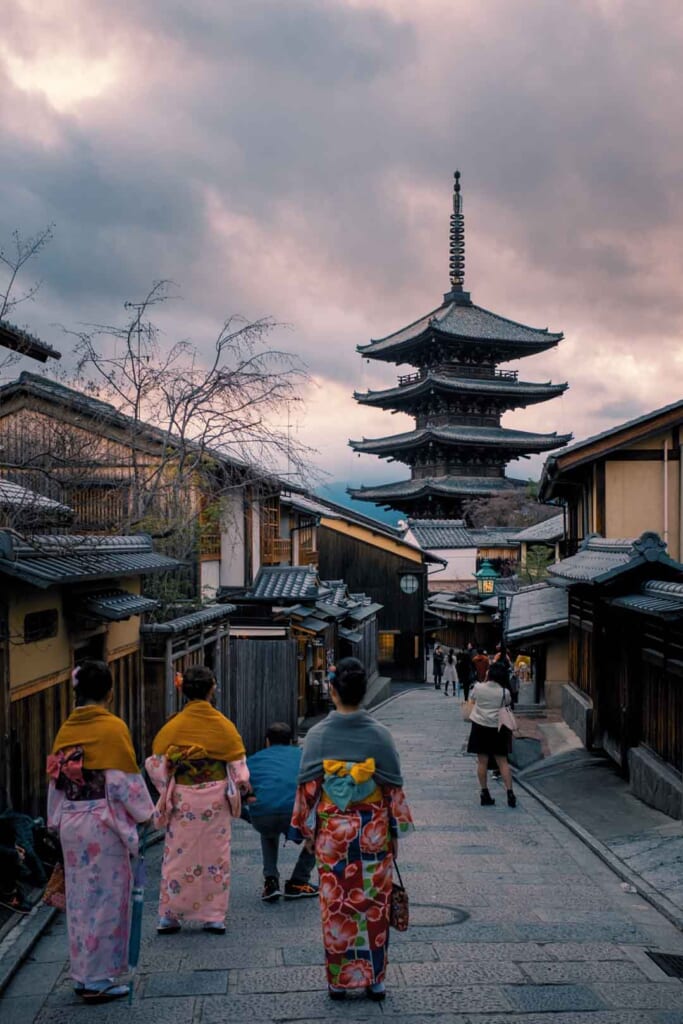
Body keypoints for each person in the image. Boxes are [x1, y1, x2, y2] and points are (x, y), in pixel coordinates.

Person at [290, 657, 413, 1003]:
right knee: (374, 904)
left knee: (336, 906)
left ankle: (338, 981)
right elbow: (392, 791)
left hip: (333, 835)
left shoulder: (317, 736)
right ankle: (375, 980)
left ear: (333, 691)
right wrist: (394, 834)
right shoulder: (380, 735)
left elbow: (307, 792)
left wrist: (306, 831)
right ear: (363, 692)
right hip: (372, 831)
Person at [47, 660, 154, 1003]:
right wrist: (146, 814)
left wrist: (56, 821)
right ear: (110, 692)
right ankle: (98, 979)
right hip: (102, 825)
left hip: (71, 823)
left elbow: (57, 785)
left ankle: (83, 973)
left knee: (81, 901)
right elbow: (122, 782)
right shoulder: (111, 728)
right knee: (107, 900)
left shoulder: (66, 729)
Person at [146, 665, 249, 935]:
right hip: (215, 798)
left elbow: (156, 764)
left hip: (183, 797)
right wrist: (240, 783)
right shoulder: (223, 726)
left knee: (177, 855)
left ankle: (170, 915)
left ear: (183, 690)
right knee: (216, 856)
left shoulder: (174, 726)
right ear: (211, 689)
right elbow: (239, 767)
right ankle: (213, 916)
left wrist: (170, 778)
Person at [244, 721, 318, 903]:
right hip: (294, 814)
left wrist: (250, 815)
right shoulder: (302, 756)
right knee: (322, 833)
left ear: (267, 741)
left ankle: (270, 881)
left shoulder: (252, 760)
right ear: (292, 741)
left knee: (268, 831)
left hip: (263, 816)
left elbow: (241, 791)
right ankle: (298, 881)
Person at [466, 661, 517, 808]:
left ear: (490, 673)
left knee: (482, 762)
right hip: (498, 728)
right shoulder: (504, 692)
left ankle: (485, 793)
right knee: (503, 762)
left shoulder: (478, 687)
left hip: (480, 727)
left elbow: (472, 700)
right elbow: (507, 704)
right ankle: (510, 793)